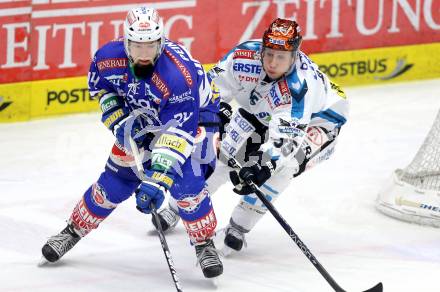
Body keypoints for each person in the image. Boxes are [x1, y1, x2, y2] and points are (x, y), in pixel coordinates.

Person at [41, 6, 223, 278]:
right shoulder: (107, 58)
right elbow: (102, 89)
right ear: (126, 41)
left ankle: (204, 243)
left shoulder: (177, 76)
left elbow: (177, 136)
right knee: (114, 183)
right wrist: (120, 120)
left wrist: (155, 180)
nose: (144, 54)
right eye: (138, 45)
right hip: (143, 119)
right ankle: (73, 230)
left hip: (195, 121)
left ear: (161, 41)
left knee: (187, 185)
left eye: (151, 45)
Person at [155, 18, 349, 253]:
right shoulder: (244, 56)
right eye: (269, 54)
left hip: (322, 120)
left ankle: (239, 226)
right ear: (262, 49)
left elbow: (285, 142)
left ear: (295, 55)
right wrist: (218, 110)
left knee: (282, 169)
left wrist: (263, 165)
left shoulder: (299, 89)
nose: (273, 63)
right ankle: (178, 206)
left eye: (281, 57)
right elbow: (209, 87)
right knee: (224, 153)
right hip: (264, 110)